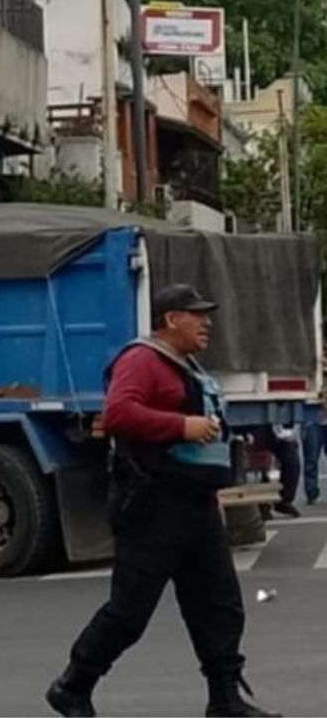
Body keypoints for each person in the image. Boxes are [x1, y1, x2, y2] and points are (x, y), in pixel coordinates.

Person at [46, 285, 278, 718]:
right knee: (130, 611)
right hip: (154, 505)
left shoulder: (185, 365)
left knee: (219, 604)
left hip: (196, 503)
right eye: (198, 315)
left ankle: (224, 698)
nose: (207, 322)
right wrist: (180, 425)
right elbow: (117, 413)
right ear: (171, 319)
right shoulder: (141, 360)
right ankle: (73, 685)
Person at [299, 421, 323, 507]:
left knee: (310, 460)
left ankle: (311, 492)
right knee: (311, 460)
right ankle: (311, 493)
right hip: (311, 420)